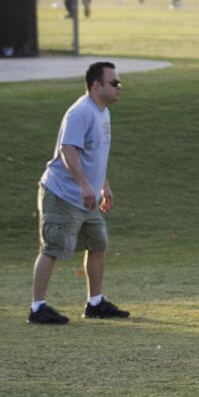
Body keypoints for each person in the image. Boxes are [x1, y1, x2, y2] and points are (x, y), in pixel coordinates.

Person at [30, 62, 127, 325]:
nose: (120, 88)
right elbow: (68, 150)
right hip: (63, 194)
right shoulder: (81, 112)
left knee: (98, 244)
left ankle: (95, 303)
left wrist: (103, 185)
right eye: (114, 83)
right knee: (53, 247)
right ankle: (37, 308)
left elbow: (94, 154)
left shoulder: (102, 112)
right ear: (97, 86)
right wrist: (85, 185)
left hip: (87, 197)